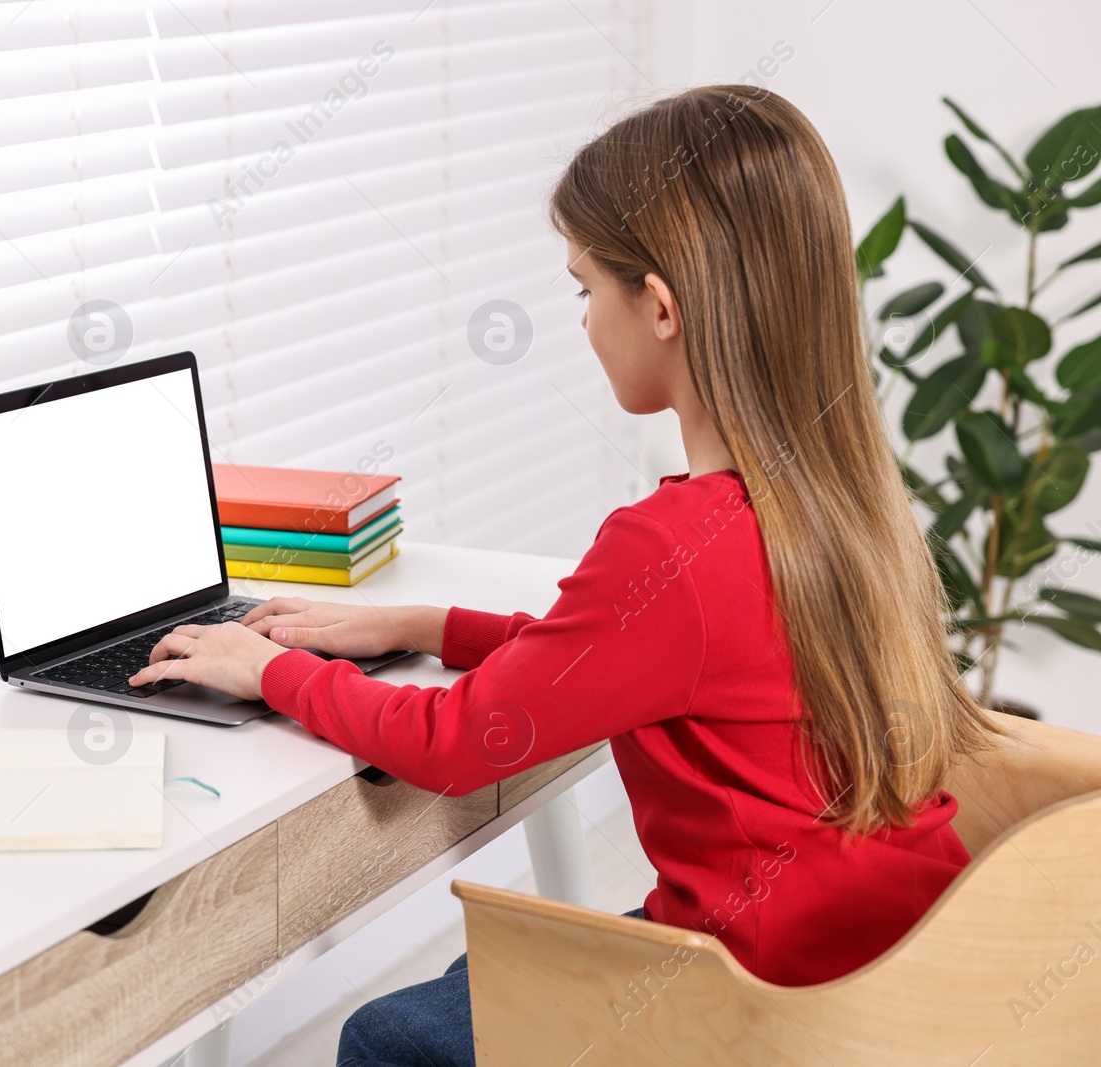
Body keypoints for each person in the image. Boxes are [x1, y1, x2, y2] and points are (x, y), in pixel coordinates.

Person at [127, 83, 1008, 1067]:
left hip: (764, 1002)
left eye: (584, 288)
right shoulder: (840, 499)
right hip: (897, 965)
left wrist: (266, 668)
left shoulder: (672, 541)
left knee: (386, 1037)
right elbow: (642, 662)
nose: (584, 321)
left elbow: (459, 741)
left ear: (660, 306)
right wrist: (430, 624)